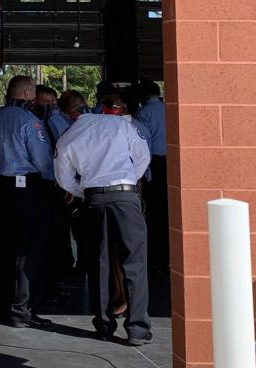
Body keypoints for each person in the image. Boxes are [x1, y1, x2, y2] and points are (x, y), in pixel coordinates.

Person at [54, 110, 152, 345]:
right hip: (126, 197)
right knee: (134, 263)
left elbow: (63, 177)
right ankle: (137, 328)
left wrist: (85, 191)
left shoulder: (69, 135)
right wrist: (127, 181)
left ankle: (104, 325)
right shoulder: (121, 124)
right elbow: (142, 156)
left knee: (99, 263)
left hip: (94, 201)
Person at [0, 75, 54, 328]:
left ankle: (0, 305)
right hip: (26, 188)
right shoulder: (30, 121)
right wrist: (53, 181)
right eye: (33, 92)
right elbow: (42, 160)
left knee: (2, 248)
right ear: (27, 94)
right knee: (28, 250)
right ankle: (22, 310)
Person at [44, 90, 87, 296]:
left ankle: (70, 267)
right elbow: (63, 154)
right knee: (63, 228)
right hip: (63, 181)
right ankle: (64, 270)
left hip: (69, 180)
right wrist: (67, 185)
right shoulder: (58, 123)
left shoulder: (61, 121)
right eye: (79, 107)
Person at [135, 80, 168, 271]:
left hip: (153, 163)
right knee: (166, 208)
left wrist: (143, 175)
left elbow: (143, 145)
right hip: (170, 162)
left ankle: (155, 256)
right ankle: (166, 253)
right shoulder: (167, 108)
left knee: (153, 210)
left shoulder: (143, 114)